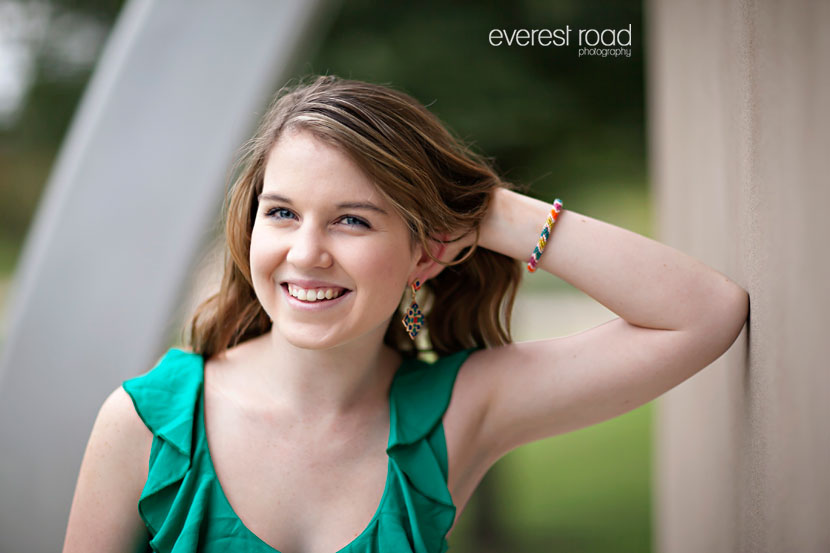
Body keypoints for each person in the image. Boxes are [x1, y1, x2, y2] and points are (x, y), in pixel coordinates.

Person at [62, 75, 749, 553]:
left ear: (426, 254)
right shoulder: (146, 424)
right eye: (282, 213)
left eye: (352, 219)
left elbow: (704, 314)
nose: (306, 252)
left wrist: (487, 209)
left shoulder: (458, 411)